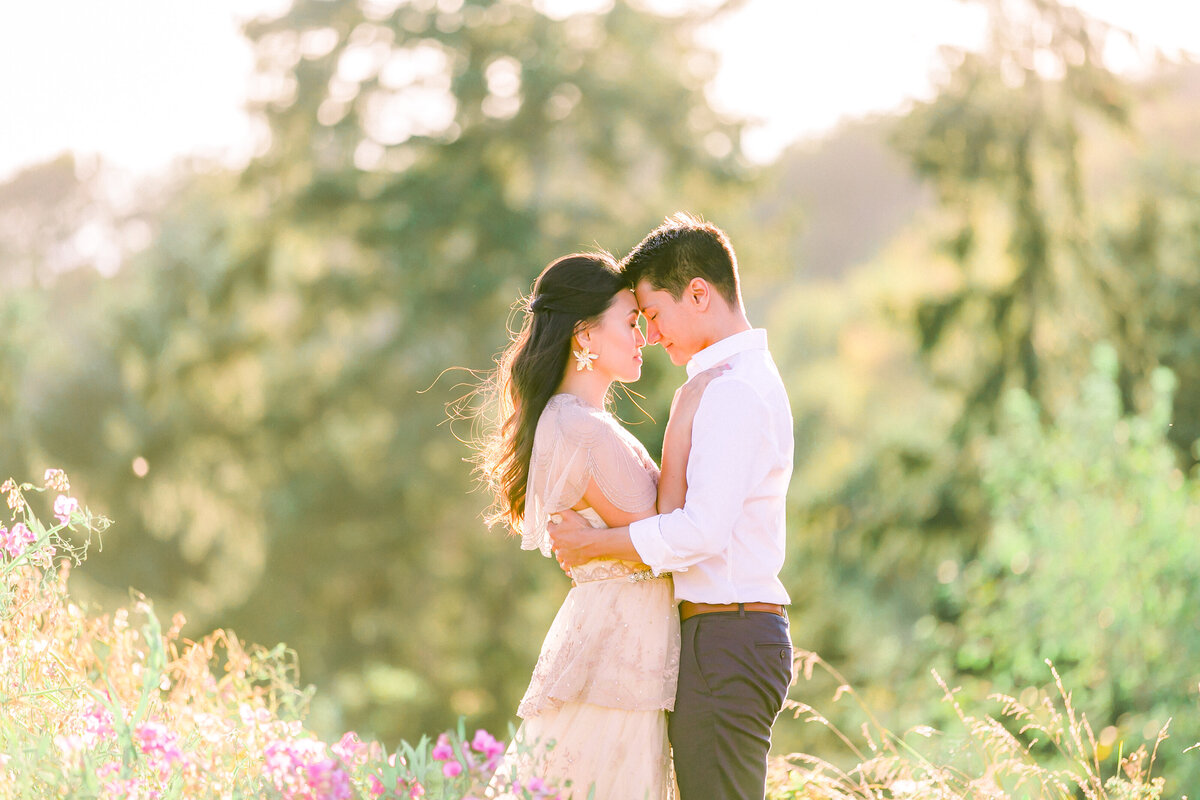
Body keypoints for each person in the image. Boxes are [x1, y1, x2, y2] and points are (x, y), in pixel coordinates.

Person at [548, 214, 794, 800]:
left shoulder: (731, 389)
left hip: (726, 636)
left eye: (654, 314)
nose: (651, 336)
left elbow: (701, 531)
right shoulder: (719, 385)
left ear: (700, 293)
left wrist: (593, 544)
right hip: (727, 635)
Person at [473, 251, 720, 799]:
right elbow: (670, 531)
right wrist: (683, 418)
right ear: (584, 335)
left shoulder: (582, 422)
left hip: (625, 643)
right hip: (618, 653)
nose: (644, 338)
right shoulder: (580, 428)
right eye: (631, 323)